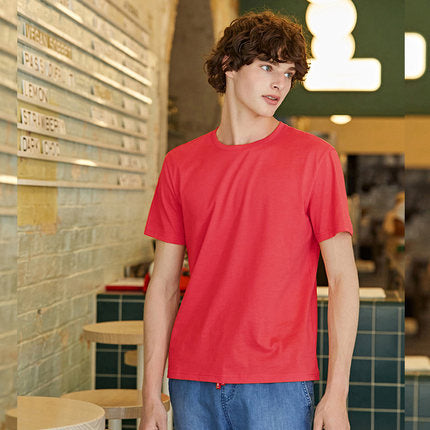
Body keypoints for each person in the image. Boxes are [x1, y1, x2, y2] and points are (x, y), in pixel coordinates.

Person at [140, 10, 359, 430]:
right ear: (229, 65)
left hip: (278, 383)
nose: (280, 83)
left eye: (289, 73)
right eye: (267, 67)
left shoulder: (315, 159)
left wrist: (337, 394)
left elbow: (343, 280)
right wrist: (151, 395)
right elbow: (163, 284)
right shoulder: (180, 164)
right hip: (191, 380)